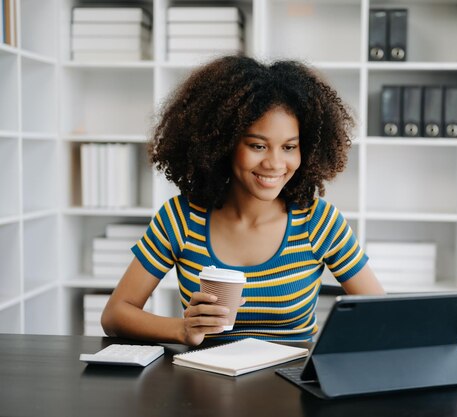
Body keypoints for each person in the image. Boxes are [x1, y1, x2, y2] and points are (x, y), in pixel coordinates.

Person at [101, 55, 385, 346]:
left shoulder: (318, 222)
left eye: (289, 147)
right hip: (206, 382)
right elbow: (114, 315)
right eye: (258, 145)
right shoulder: (181, 218)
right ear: (223, 144)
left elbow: (383, 315)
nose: (275, 163)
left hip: (287, 386)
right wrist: (182, 330)